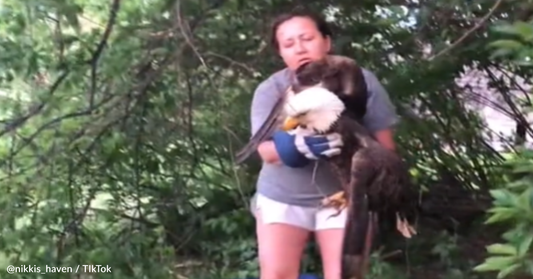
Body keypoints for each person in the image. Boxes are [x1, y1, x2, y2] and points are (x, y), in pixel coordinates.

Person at [248, 8, 399, 279]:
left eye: (307, 38)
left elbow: (386, 150)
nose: (299, 48)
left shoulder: (361, 82)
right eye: (289, 43)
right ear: (281, 52)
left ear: (326, 41)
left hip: (348, 198)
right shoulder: (270, 90)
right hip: (283, 198)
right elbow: (265, 151)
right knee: (277, 275)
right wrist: (295, 148)